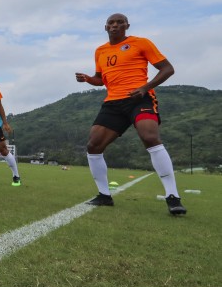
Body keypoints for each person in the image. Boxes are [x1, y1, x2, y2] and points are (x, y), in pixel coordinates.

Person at [75, 13, 185, 215]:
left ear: (127, 26)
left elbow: (168, 69)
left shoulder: (140, 43)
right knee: (93, 145)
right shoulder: (100, 51)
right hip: (113, 103)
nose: (115, 25)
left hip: (139, 98)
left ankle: (173, 197)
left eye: (119, 22)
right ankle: (104, 195)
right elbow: (101, 79)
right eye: (111, 23)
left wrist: (145, 88)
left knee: (150, 137)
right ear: (105, 27)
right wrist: (88, 79)